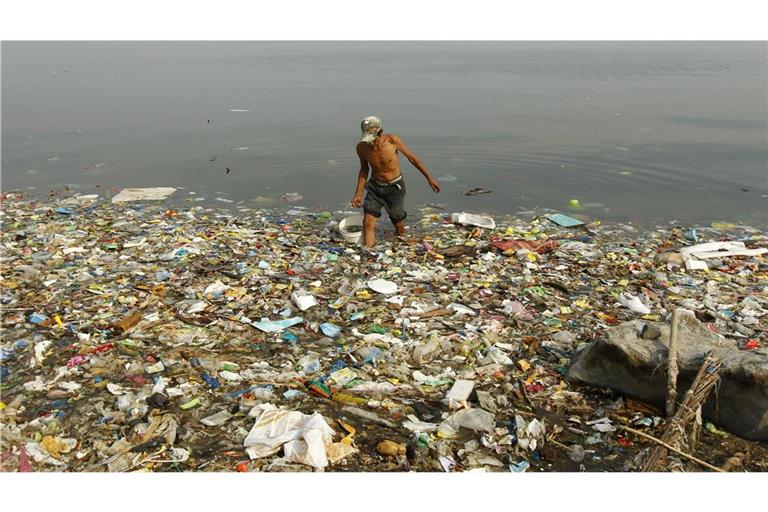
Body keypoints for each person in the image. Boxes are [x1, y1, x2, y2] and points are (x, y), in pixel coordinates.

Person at [350, 116, 441, 248]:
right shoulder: (362, 148)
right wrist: (358, 194)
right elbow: (364, 170)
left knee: (397, 220)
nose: (369, 141)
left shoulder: (392, 140)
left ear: (379, 131)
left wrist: (429, 178)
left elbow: (412, 158)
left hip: (394, 187)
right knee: (368, 222)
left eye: (371, 136)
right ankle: (368, 250)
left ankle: (401, 243)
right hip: (375, 187)